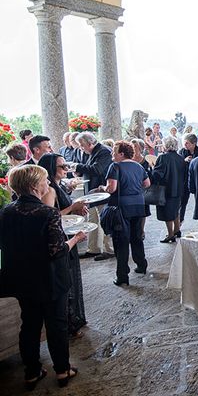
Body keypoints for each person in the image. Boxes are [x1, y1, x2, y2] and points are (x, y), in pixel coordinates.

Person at [0, 165, 87, 389]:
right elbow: (57, 250)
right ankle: (62, 370)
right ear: (33, 186)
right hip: (49, 278)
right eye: (45, 180)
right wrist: (76, 238)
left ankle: (32, 371)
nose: (48, 183)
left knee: (29, 324)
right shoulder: (47, 213)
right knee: (56, 324)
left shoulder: (6, 211)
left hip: (21, 277)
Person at [38, 154, 89, 338]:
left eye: (66, 165)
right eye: (62, 166)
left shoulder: (58, 186)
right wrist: (72, 208)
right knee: (65, 282)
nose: (65, 169)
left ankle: (71, 320)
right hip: (60, 240)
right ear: (51, 168)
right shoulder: (50, 190)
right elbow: (50, 217)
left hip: (67, 234)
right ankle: (68, 323)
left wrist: (76, 208)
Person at [99, 141, 150, 285]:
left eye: (114, 152)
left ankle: (122, 276)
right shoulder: (138, 166)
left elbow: (111, 188)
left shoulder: (114, 166)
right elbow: (147, 184)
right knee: (136, 236)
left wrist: (102, 188)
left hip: (121, 207)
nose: (111, 154)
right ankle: (141, 265)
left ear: (121, 154)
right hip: (138, 205)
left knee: (121, 241)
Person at [74, 132, 114, 261]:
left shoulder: (103, 151)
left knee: (104, 220)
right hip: (93, 193)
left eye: (82, 145)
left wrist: (77, 166)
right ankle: (94, 249)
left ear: (90, 143)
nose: (81, 148)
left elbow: (98, 170)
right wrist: (78, 170)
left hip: (101, 193)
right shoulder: (92, 152)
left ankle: (109, 249)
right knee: (93, 220)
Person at [152, 136, 185, 243]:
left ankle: (170, 234)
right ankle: (177, 230)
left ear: (166, 145)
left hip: (166, 190)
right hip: (179, 189)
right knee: (176, 210)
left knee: (167, 213)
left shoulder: (163, 158)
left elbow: (157, 175)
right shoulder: (180, 158)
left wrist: (152, 168)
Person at [178, 133, 198, 222]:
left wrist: (194, 162)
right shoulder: (181, 152)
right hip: (185, 180)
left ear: (194, 144)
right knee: (182, 202)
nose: (185, 145)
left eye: (187, 143)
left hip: (197, 181)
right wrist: (184, 161)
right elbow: (178, 166)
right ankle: (180, 221)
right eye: (184, 143)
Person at [131, 138, 153, 239]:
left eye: (135, 146)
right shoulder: (129, 160)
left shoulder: (146, 160)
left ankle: (141, 230)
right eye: (132, 146)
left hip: (143, 189)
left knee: (143, 211)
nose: (133, 148)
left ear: (141, 148)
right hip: (131, 189)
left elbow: (151, 176)